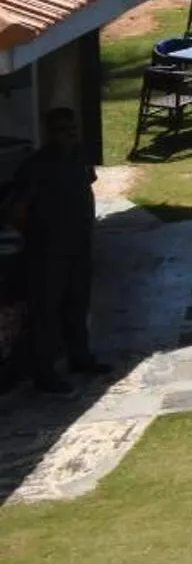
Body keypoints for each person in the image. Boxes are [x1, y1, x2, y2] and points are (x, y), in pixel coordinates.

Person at [5, 109, 103, 393]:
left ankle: (80, 357)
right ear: (49, 133)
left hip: (78, 243)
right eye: (62, 130)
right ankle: (44, 373)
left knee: (77, 303)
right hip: (47, 250)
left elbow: (88, 187)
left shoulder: (80, 156)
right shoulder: (35, 167)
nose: (70, 134)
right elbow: (16, 211)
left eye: (72, 129)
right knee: (47, 312)